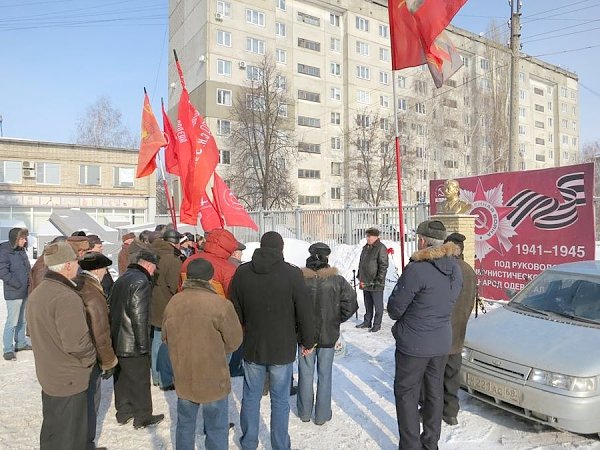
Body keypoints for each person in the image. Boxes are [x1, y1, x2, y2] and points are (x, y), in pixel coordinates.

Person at [229, 231, 315, 450]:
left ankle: (248, 443)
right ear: (281, 248)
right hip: (282, 347)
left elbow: (234, 308)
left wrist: (241, 330)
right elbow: (304, 310)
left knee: (250, 397)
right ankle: (280, 445)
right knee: (280, 400)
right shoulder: (292, 274)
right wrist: (308, 341)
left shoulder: (242, 273)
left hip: (253, 345)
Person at [387, 220, 463, 450]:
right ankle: (431, 443)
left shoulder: (417, 270)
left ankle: (410, 445)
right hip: (441, 342)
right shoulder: (455, 269)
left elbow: (394, 309)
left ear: (422, 241)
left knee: (407, 394)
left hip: (414, 344)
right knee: (434, 392)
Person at [163, 259, 243, 450]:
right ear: (209, 278)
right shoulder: (220, 304)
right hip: (213, 374)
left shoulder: (174, 302)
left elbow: (166, 337)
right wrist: (216, 350)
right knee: (216, 426)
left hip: (184, 374)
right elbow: (235, 341)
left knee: (185, 425)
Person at [27, 241, 96, 450]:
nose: (78, 265)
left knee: (53, 432)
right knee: (70, 438)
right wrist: (91, 358)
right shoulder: (66, 296)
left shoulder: (39, 292)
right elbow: (77, 342)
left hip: (50, 376)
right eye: (76, 261)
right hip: (69, 379)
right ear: (67, 265)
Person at [298, 242, 358, 425]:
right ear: (327, 258)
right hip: (328, 335)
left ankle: (304, 412)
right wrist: (335, 319)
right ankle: (322, 415)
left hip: (304, 336)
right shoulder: (337, 280)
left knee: (305, 374)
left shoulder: (300, 279)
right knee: (325, 375)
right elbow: (351, 304)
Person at [109, 249, 164, 429]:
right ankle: (143, 416)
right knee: (140, 379)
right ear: (148, 265)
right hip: (132, 340)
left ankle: (123, 412)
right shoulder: (141, 282)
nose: (154, 272)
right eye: (154, 268)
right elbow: (139, 315)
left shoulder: (124, 277)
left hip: (118, 337)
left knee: (122, 377)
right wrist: (143, 344)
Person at [78, 251, 118, 450]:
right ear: (97, 269)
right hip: (92, 353)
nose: (105, 272)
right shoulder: (93, 293)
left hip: (80, 351)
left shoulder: (79, 283)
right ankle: (87, 443)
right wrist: (108, 360)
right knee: (92, 399)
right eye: (104, 268)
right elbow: (100, 331)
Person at [440, 232, 477, 426]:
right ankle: (451, 412)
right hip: (459, 331)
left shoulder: (447, 269)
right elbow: (470, 302)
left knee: (435, 375)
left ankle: (433, 409)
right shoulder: (469, 270)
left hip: (440, 332)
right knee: (452, 375)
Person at [150, 229, 184, 389]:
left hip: (153, 303)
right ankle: (165, 379)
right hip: (167, 304)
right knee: (165, 342)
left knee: (157, 340)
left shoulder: (152, 252)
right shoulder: (173, 259)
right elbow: (175, 286)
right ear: (175, 242)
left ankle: (156, 377)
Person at [0, 227, 31, 360]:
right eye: (22, 238)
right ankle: (8, 348)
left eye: (25, 238)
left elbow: (27, 268)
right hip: (14, 292)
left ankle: (21, 343)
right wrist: (17, 284)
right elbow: (3, 272)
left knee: (22, 320)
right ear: (15, 239)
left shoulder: (21, 250)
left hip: (25, 291)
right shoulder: (5, 251)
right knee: (12, 321)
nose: (25, 241)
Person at [180, 228, 239, 298]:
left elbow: (180, 288)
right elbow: (233, 297)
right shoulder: (228, 269)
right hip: (217, 307)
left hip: (187, 304)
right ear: (230, 247)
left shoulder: (189, 260)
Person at [355, 227, 388, 333]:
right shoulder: (366, 248)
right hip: (365, 279)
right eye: (367, 236)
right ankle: (367, 321)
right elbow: (362, 262)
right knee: (367, 303)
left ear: (376, 237)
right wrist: (360, 275)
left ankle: (377, 324)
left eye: (370, 236)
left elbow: (383, 265)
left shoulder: (381, 248)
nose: (367, 238)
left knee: (378, 305)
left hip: (376, 281)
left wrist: (380, 278)